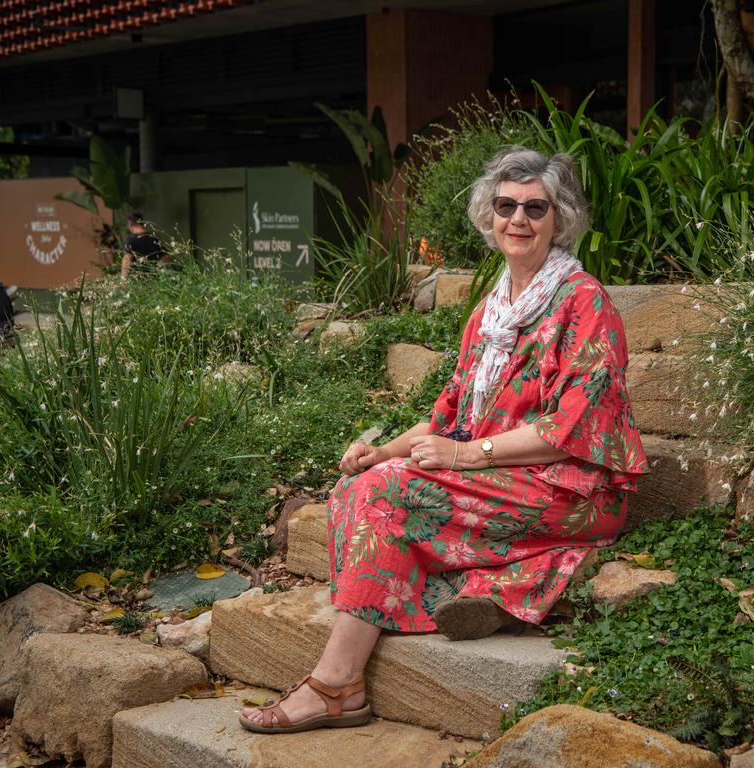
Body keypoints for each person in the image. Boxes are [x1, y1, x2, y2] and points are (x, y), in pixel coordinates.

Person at [240, 147, 649, 734]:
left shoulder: (586, 304)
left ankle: (336, 686)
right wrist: (381, 453)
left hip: (571, 489)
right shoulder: (490, 313)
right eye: (506, 205)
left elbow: (570, 433)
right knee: (362, 485)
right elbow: (449, 417)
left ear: (560, 219)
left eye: (536, 207)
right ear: (489, 216)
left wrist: (462, 455)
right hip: (500, 475)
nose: (519, 219)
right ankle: (477, 594)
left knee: (389, 498)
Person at [119, 211, 171, 278]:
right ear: (143, 223)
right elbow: (167, 256)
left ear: (130, 225)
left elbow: (127, 259)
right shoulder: (154, 237)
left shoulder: (131, 239)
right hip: (153, 280)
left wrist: (123, 279)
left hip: (137, 280)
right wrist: (159, 270)